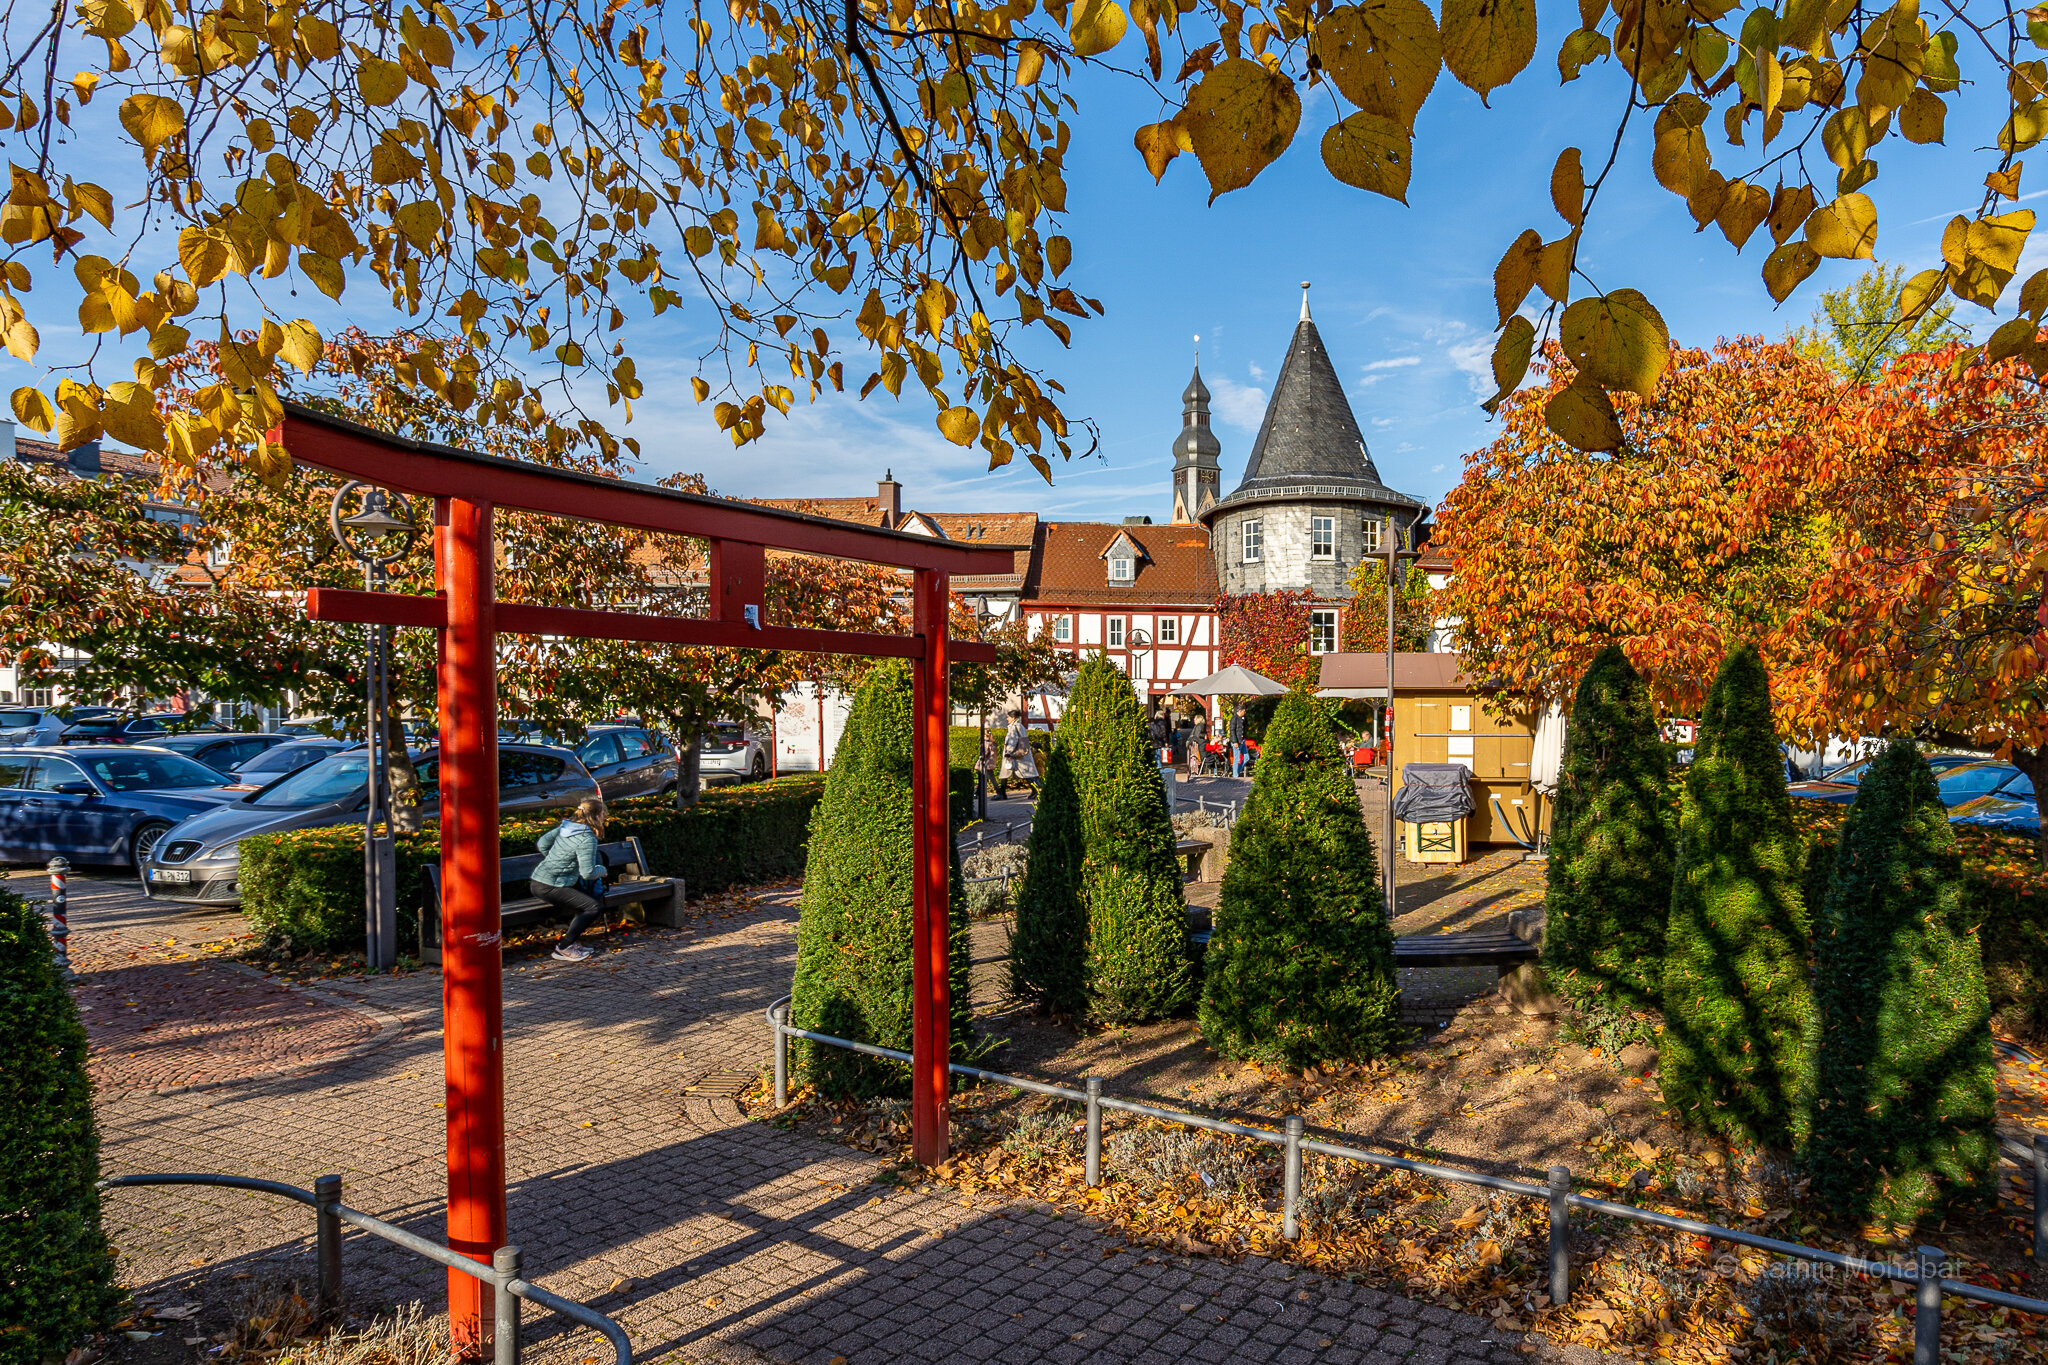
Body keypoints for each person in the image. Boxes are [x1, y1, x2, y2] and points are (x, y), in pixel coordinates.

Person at [533, 797, 610, 962]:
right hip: (551, 886)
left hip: (539, 881)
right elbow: (588, 873)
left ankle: (571, 943)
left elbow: (542, 844)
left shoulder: (565, 827)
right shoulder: (586, 837)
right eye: (603, 813)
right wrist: (603, 870)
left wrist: (555, 860)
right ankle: (564, 947)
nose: (604, 817)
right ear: (596, 815)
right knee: (592, 907)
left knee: (588, 900)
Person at [1001, 709, 1038, 798]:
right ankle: (1002, 793)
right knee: (1007, 773)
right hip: (1020, 754)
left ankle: (1002, 794)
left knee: (1024, 774)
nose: (1007, 718)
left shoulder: (1014, 727)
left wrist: (1008, 752)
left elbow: (1013, 740)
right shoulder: (1019, 726)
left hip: (1016, 755)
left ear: (1013, 717)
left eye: (1008, 717)